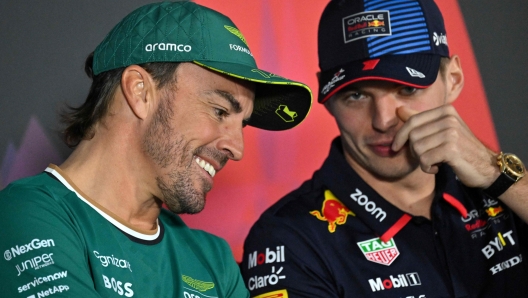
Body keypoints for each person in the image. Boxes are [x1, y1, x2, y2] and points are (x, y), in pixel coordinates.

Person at [0, 1, 312, 297]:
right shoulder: (24, 216)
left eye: (241, 124)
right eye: (219, 111)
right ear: (139, 92)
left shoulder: (214, 260)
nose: (237, 148)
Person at [241, 0, 528, 297]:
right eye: (356, 95)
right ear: (329, 102)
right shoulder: (288, 239)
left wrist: (497, 174)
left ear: (452, 80)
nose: (383, 121)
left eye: (408, 89)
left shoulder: (504, 190)